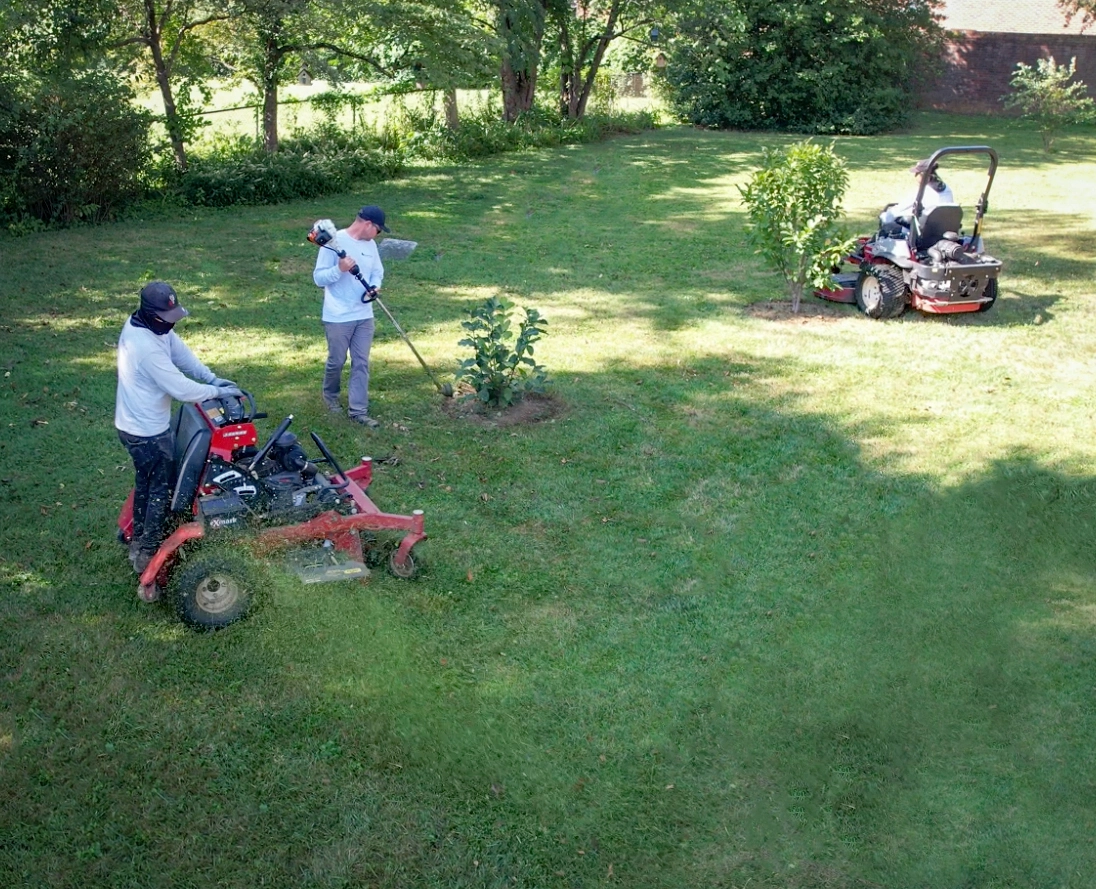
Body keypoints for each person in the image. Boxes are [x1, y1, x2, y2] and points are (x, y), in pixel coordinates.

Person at [115, 281, 241, 574]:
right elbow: (181, 388)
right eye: (166, 319)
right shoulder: (144, 346)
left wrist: (211, 379)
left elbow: (180, 353)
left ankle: (138, 543)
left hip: (136, 424)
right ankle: (147, 557)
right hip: (145, 432)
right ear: (150, 314)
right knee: (159, 489)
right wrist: (217, 393)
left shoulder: (152, 327)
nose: (170, 325)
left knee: (146, 483)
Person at [312, 204, 389, 428]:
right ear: (367, 224)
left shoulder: (371, 245)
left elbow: (377, 271)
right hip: (338, 315)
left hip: (364, 315)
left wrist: (374, 286)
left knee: (361, 362)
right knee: (336, 361)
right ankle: (330, 398)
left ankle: (359, 411)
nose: (379, 234)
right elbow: (319, 278)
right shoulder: (333, 242)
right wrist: (340, 269)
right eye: (379, 229)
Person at [879, 158, 957, 229]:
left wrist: (884, 216)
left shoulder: (921, 192)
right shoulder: (946, 189)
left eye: (917, 173)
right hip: (942, 228)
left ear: (922, 175)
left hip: (924, 233)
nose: (915, 176)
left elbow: (900, 209)